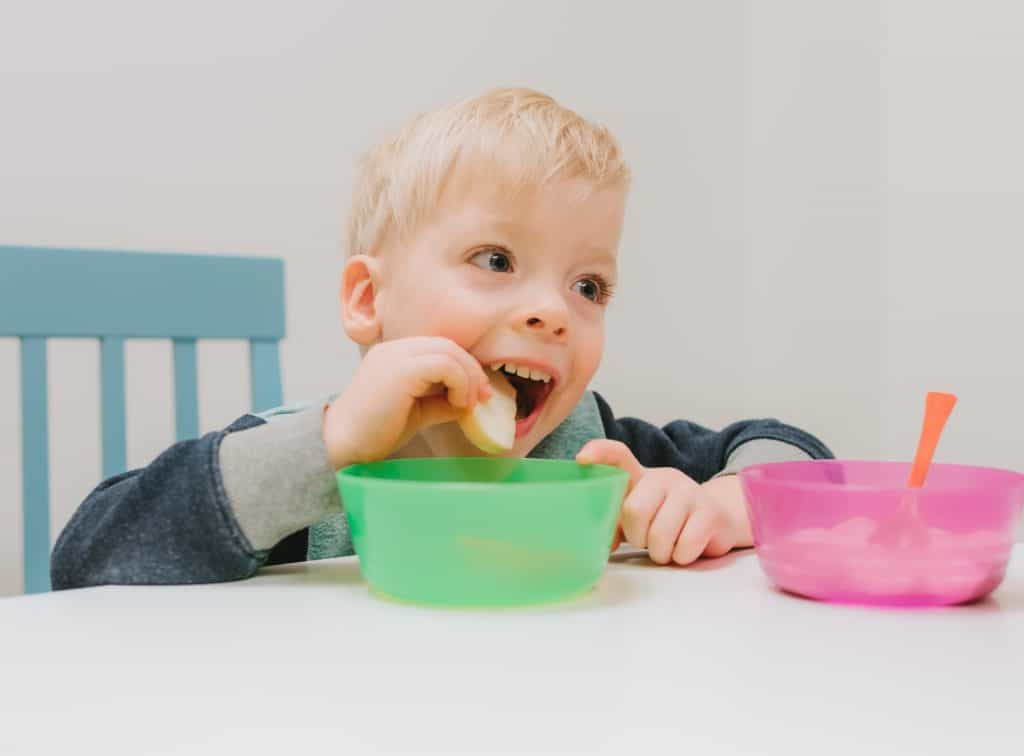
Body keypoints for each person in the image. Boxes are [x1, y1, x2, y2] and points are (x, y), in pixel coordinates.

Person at [51, 88, 832, 590]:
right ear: (369, 299)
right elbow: (84, 558)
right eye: (496, 260)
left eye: (588, 286)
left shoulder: (596, 456)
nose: (554, 312)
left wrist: (724, 506)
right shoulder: (299, 470)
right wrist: (329, 445)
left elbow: (801, 460)